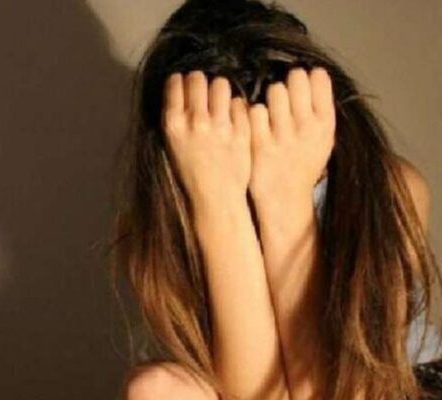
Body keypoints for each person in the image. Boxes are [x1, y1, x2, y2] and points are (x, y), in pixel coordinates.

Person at [107, 0, 442, 399]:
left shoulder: (389, 191)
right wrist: (219, 204)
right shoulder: (154, 235)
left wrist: (286, 198)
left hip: (396, 390)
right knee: (158, 389)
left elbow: (346, 392)